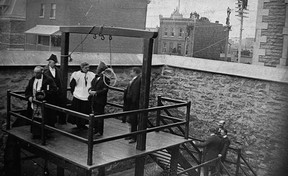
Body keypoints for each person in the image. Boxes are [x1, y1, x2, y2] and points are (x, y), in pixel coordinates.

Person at [25, 66, 58, 137]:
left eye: (37, 73)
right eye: (35, 73)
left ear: (42, 72)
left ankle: (44, 134)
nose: (35, 75)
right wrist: (29, 97)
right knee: (35, 118)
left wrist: (45, 92)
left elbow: (54, 89)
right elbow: (27, 90)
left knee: (44, 118)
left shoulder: (48, 80)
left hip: (44, 103)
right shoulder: (32, 80)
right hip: (34, 103)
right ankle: (35, 133)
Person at [68, 62, 95, 129]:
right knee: (78, 110)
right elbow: (72, 85)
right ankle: (78, 124)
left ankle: (83, 124)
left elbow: (94, 83)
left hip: (87, 95)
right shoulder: (77, 74)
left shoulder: (91, 74)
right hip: (78, 95)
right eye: (86, 68)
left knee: (85, 110)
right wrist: (74, 92)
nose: (87, 69)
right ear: (82, 68)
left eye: (88, 67)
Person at [88, 61, 110, 136]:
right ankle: (95, 129)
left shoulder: (105, 79)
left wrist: (96, 92)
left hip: (100, 100)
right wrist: (90, 90)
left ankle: (100, 131)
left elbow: (105, 90)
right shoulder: (96, 77)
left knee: (100, 115)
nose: (97, 69)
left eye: (98, 68)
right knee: (94, 114)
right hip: (94, 99)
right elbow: (92, 85)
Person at [43, 54, 66, 124]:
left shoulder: (58, 71)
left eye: (51, 62)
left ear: (55, 63)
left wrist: (60, 89)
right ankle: (50, 123)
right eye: (49, 62)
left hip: (57, 93)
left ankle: (59, 121)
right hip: (49, 93)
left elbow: (60, 81)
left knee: (59, 106)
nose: (50, 63)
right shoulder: (45, 71)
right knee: (50, 109)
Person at [123, 67, 142, 143]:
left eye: (131, 72)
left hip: (133, 104)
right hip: (130, 103)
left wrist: (133, 101)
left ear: (135, 72)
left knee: (133, 120)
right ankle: (131, 134)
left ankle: (134, 137)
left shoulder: (138, 80)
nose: (130, 73)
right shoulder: (134, 79)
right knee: (130, 120)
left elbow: (136, 92)